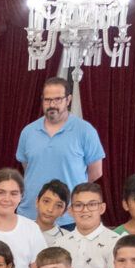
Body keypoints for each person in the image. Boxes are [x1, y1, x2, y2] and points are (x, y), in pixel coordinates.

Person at [14, 76, 105, 220]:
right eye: (47, 100)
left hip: (68, 217)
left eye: (58, 99)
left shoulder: (85, 131)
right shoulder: (28, 131)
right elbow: (28, 168)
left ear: (68, 100)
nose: (52, 105)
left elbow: (96, 172)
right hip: (30, 214)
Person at [62, 182, 119, 268]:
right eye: (78, 205)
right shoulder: (59, 244)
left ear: (102, 208)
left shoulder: (116, 243)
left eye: (92, 204)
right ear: (70, 210)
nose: (85, 210)